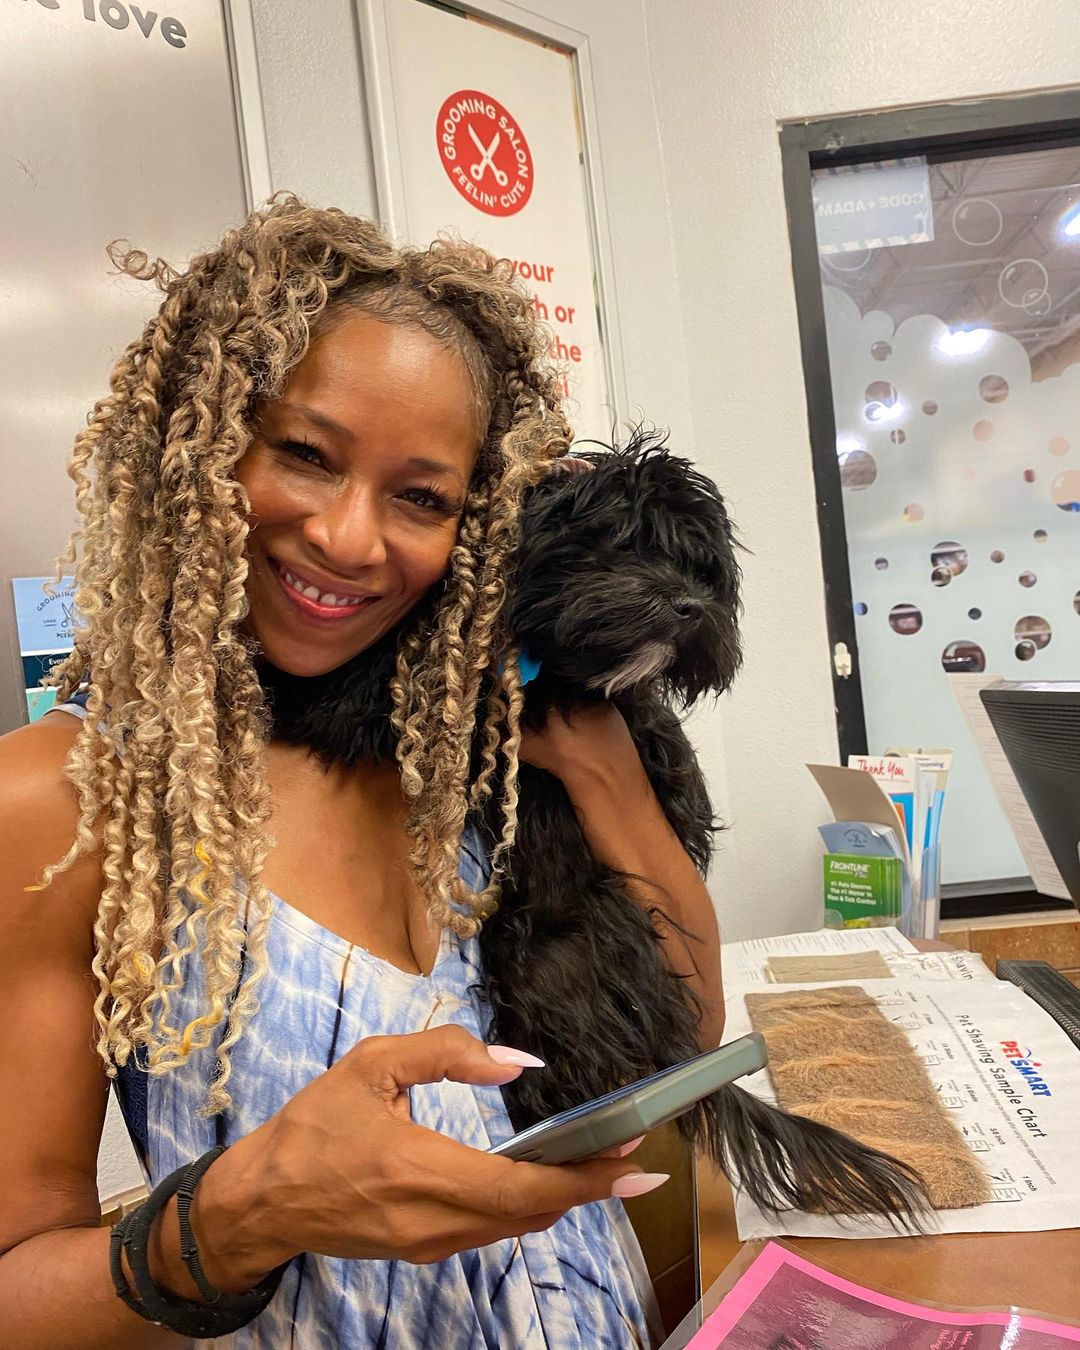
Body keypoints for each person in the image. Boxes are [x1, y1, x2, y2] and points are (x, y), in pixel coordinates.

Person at [0, 197, 724, 1348]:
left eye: (421, 497)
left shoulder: (467, 750)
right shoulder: (70, 799)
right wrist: (240, 1213)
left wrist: (611, 780)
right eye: (305, 455)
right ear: (200, 445)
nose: (348, 538)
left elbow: (682, 1041)